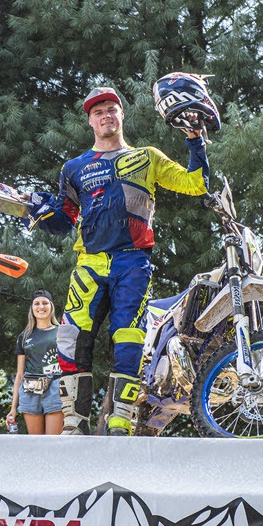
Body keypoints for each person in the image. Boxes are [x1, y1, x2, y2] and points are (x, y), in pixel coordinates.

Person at [29, 83, 211, 436]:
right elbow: (63, 222)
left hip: (133, 262)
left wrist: (194, 138)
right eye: (98, 112)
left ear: (121, 115)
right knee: (72, 339)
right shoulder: (74, 167)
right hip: (90, 263)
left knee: (128, 340)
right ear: (90, 122)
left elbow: (196, 184)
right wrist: (34, 211)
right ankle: (73, 424)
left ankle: (119, 420)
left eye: (111, 109)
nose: (105, 116)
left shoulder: (148, 156)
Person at [7, 290, 62, 435]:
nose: (41, 306)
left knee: (53, 443)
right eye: (36, 303)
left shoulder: (61, 332)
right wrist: (13, 408)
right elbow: (19, 375)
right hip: (31, 389)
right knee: (36, 442)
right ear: (32, 308)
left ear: (51, 306)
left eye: (45, 303)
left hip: (56, 388)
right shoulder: (24, 336)